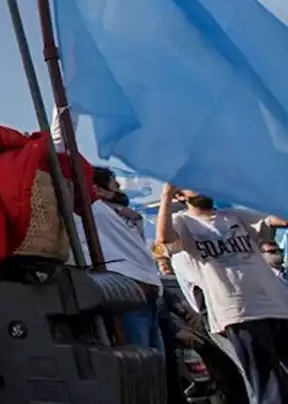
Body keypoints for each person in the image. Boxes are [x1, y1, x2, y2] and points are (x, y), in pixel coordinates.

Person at [156, 182, 288, 404]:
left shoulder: (235, 216)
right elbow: (164, 239)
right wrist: (166, 194)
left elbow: (280, 219)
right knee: (268, 384)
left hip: (276, 306)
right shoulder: (183, 223)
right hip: (239, 312)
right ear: (181, 195)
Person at [75, 168, 164, 349]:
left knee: (156, 367)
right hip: (125, 296)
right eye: (112, 181)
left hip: (149, 298)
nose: (118, 186)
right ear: (95, 189)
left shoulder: (126, 216)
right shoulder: (91, 210)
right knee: (138, 365)